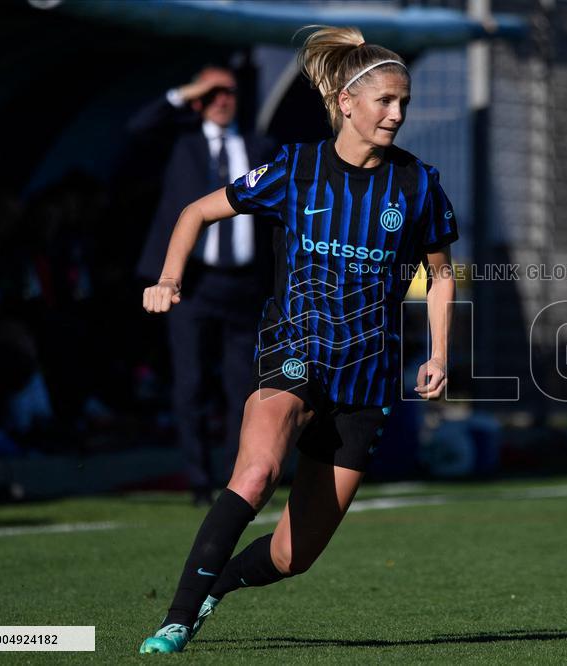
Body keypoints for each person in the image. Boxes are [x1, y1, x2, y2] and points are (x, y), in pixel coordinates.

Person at [137, 26, 458, 654]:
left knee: (292, 556)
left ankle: (214, 590)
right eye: (384, 102)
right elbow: (194, 212)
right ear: (346, 101)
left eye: (404, 104)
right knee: (255, 474)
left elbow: (441, 275)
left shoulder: (418, 185)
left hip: (366, 380)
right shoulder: (295, 168)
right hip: (295, 352)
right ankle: (175, 619)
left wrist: (438, 351)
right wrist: (169, 279)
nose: (396, 114)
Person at [129, 66, 278, 505]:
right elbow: (138, 129)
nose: (221, 99)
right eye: (211, 93)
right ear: (197, 99)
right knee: (190, 381)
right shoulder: (183, 145)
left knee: (243, 387)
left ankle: (238, 478)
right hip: (192, 283)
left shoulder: (257, 145)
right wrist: (188, 90)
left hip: (245, 284)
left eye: (228, 91)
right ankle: (198, 479)